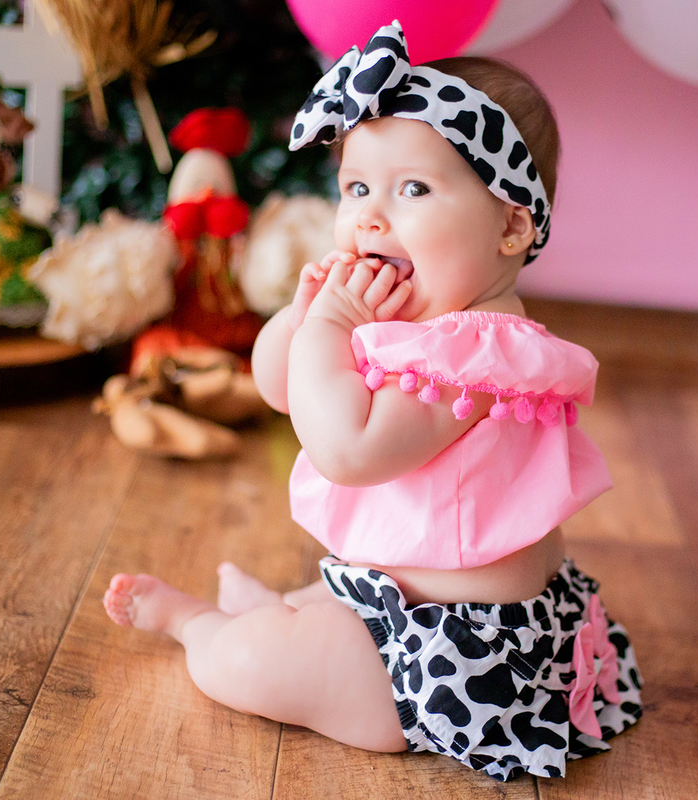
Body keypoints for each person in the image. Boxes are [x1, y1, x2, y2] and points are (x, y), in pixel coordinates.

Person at [102, 21, 642, 781]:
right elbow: (279, 386)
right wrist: (299, 319)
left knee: (259, 664)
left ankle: (201, 628)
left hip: (454, 660)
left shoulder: (481, 350)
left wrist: (329, 326)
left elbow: (347, 450)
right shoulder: (403, 313)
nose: (370, 216)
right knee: (317, 618)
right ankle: (279, 612)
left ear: (511, 227)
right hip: (385, 601)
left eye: (413, 189)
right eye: (356, 187)